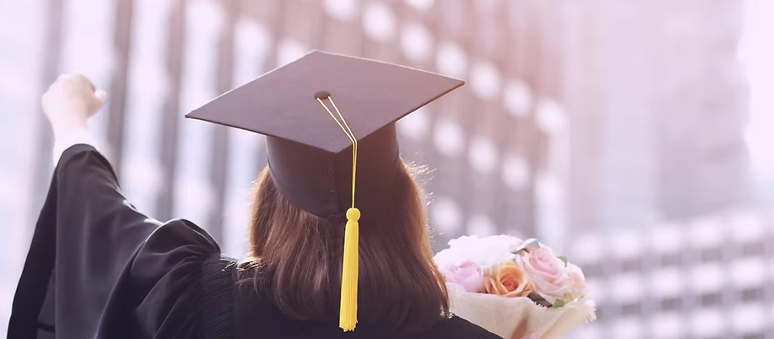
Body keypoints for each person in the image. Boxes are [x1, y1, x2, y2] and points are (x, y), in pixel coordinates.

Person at [9, 52, 501, 339]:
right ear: (406, 207)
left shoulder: (199, 298)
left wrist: (71, 125)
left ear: (271, 206)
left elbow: (100, 219)